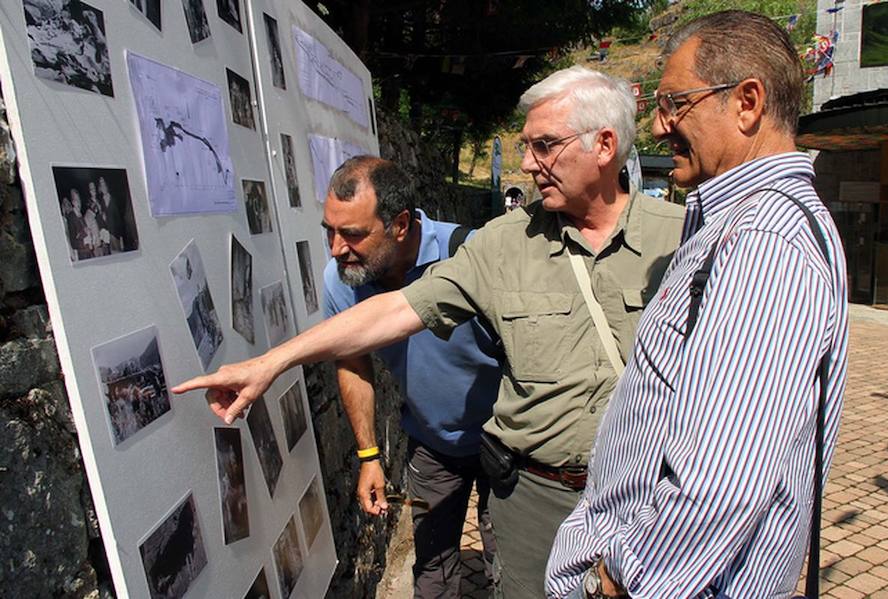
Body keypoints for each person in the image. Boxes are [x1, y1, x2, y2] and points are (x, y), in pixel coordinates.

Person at [173, 66, 685, 599]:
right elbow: (389, 318)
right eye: (528, 146)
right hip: (520, 486)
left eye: (544, 146)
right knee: (468, 572)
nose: (528, 163)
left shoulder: (686, 239)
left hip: (649, 496)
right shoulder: (501, 243)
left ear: (604, 145)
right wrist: (270, 364)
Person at [545, 11, 848, 599]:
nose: (659, 128)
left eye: (673, 104)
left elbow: (722, 480)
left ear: (747, 103)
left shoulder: (763, 240)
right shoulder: (738, 223)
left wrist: (618, 581)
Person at [321, 155, 502, 599]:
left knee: (509, 568)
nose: (336, 249)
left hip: (506, 443)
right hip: (432, 449)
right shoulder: (343, 280)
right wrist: (368, 455)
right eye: (330, 230)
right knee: (434, 570)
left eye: (352, 234)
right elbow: (353, 361)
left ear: (400, 224)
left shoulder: (472, 254)